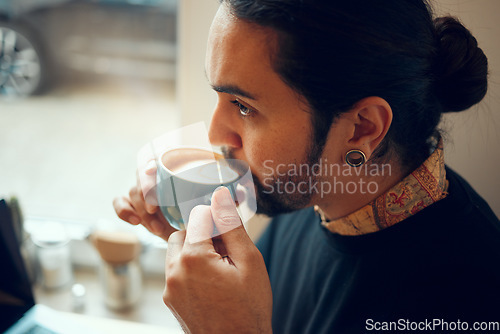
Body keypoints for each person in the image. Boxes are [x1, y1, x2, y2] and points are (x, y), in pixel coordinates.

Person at [114, 0, 500, 332]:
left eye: (244, 106)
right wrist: (198, 246)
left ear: (362, 128)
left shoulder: (471, 296)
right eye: (219, 95)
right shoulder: (308, 193)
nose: (215, 134)